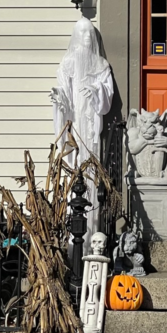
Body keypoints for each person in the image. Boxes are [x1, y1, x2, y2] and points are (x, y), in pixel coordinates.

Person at [51, 18, 114, 249]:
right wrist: (59, 99)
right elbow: (64, 92)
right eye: (83, 32)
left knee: (91, 174)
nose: (87, 37)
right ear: (76, 35)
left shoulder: (100, 64)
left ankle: (92, 237)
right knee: (75, 172)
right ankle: (74, 238)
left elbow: (107, 96)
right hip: (76, 125)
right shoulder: (68, 63)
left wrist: (96, 90)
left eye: (90, 33)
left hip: (90, 127)